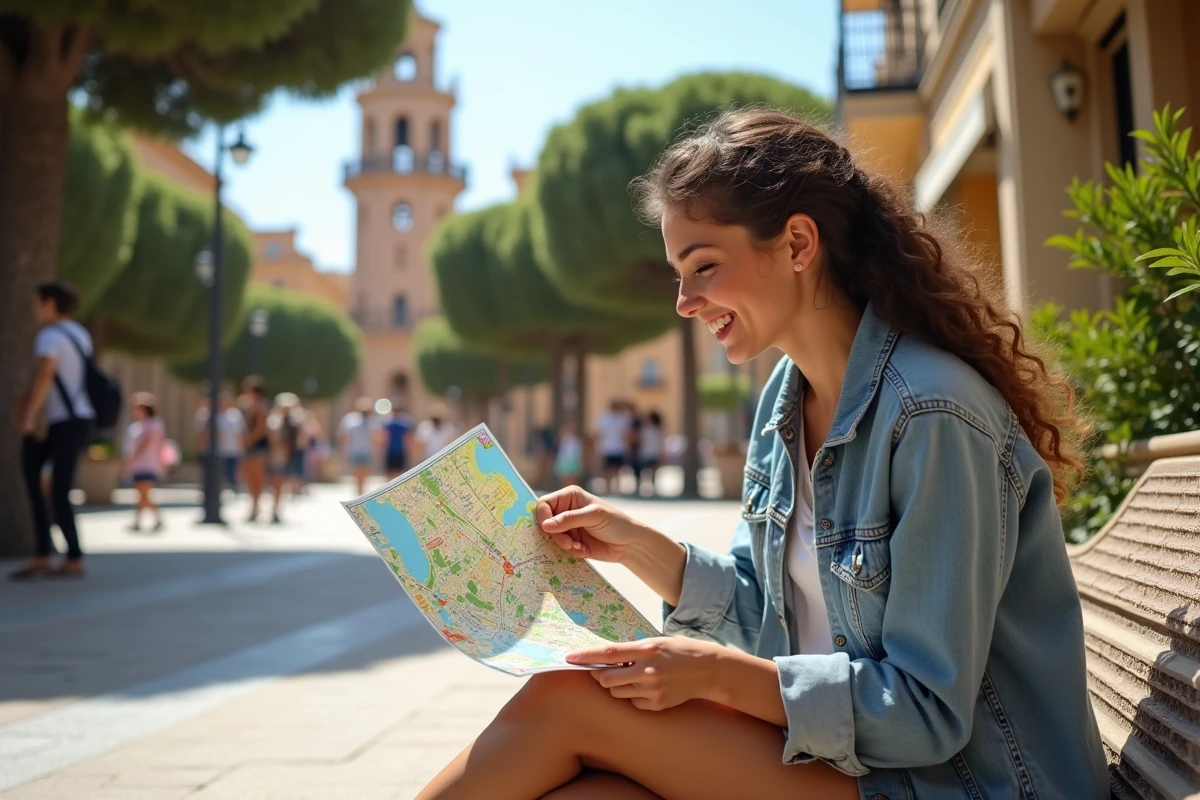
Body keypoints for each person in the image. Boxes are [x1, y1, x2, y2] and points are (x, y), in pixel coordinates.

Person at [415, 109, 1108, 799]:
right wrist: (637, 547)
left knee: (561, 703)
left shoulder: (932, 415)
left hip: (967, 783)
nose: (685, 302)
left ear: (799, 243)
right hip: (862, 769)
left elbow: (927, 711)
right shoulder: (787, 398)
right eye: (678, 276)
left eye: (704, 267)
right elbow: (772, 613)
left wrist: (712, 673)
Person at [10, 281, 95, 580]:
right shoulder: (80, 334)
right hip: (78, 419)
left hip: (60, 421)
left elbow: (45, 375)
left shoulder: (49, 337)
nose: (33, 309)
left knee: (48, 487)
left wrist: (30, 416)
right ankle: (51, 553)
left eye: (36, 303)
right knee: (54, 486)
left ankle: (67, 556)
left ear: (49, 303)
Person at [122, 392, 166, 532]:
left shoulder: (153, 424)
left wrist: (132, 459)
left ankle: (151, 518)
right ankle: (141, 520)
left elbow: (146, 444)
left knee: (144, 494)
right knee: (141, 494)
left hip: (148, 464)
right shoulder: (136, 426)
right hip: (138, 465)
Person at [195, 391, 246, 494]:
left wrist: (242, 451)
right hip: (215, 452)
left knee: (231, 476)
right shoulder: (208, 415)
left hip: (232, 451)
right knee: (214, 477)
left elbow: (240, 434)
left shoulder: (235, 415)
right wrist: (200, 449)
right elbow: (202, 434)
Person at [240, 377, 271, 522]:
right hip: (250, 446)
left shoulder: (261, 406)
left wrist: (249, 440)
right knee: (249, 477)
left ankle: (256, 506)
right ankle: (253, 505)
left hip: (258, 446)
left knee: (257, 477)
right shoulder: (247, 405)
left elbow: (261, 429)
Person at [339, 397, 378, 496]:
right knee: (356, 473)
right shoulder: (351, 419)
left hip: (367, 450)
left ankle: (362, 490)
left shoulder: (372, 420)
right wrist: (343, 449)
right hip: (355, 450)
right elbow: (344, 435)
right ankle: (358, 491)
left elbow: (376, 436)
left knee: (365, 473)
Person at [593, 400, 631, 495]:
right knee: (613, 470)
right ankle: (614, 489)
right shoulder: (617, 419)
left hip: (610, 448)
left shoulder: (607, 419)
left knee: (611, 470)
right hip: (613, 448)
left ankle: (610, 488)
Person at [382, 402, 415, 479]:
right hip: (395, 450)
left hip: (396, 450)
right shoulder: (404, 422)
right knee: (396, 472)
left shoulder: (388, 422)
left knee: (393, 473)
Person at [635, 409, 663, 496]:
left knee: (653, 472)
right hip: (644, 452)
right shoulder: (643, 429)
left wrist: (661, 453)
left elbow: (660, 442)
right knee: (642, 471)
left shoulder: (657, 430)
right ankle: (640, 487)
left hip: (653, 452)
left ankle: (653, 488)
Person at [552, 422, 583, 489]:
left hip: (573, 460)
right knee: (564, 477)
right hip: (565, 460)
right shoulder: (563, 440)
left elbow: (577, 452)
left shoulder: (576, 440)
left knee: (572, 477)